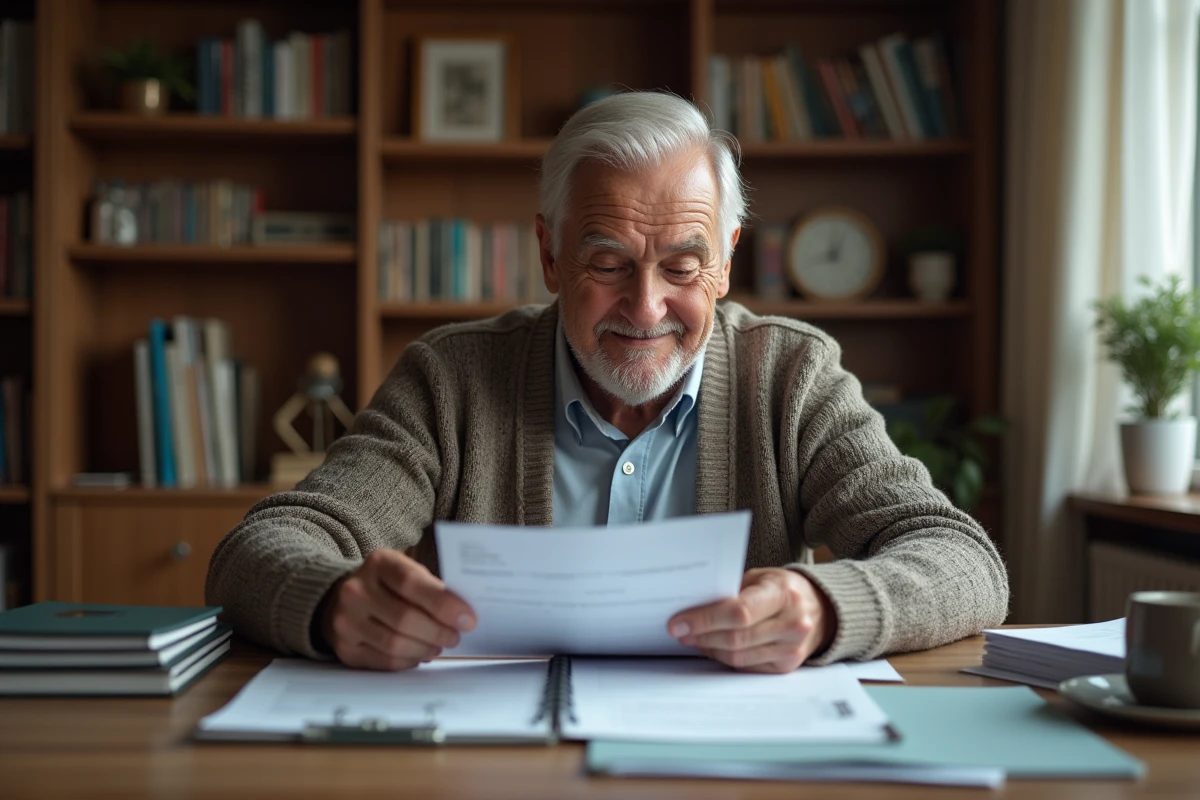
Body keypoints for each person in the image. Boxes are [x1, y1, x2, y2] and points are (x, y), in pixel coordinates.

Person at [206, 92, 1008, 674]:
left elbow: (962, 561)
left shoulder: (792, 375)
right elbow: (259, 549)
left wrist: (827, 607)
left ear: (726, 260)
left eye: (682, 267)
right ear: (550, 255)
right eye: (607, 264)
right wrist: (329, 602)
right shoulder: (452, 377)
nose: (646, 306)